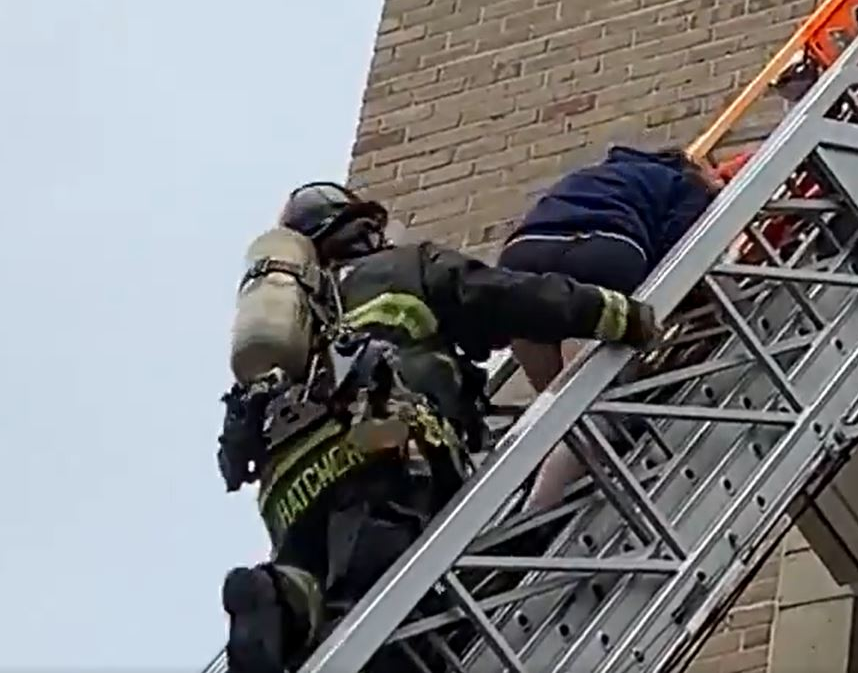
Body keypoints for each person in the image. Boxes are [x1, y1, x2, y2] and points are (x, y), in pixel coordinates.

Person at [217, 181, 661, 673]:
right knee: (387, 614)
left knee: (314, 592)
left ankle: (281, 596)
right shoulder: (403, 268)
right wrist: (613, 313)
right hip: (381, 454)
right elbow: (505, 297)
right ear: (364, 230)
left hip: (288, 493)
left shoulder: (297, 325)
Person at [495, 145, 727, 510]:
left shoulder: (595, 175)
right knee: (588, 404)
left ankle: (518, 487)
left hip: (520, 261)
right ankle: (534, 512)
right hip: (600, 255)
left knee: (552, 409)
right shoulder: (684, 183)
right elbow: (678, 247)